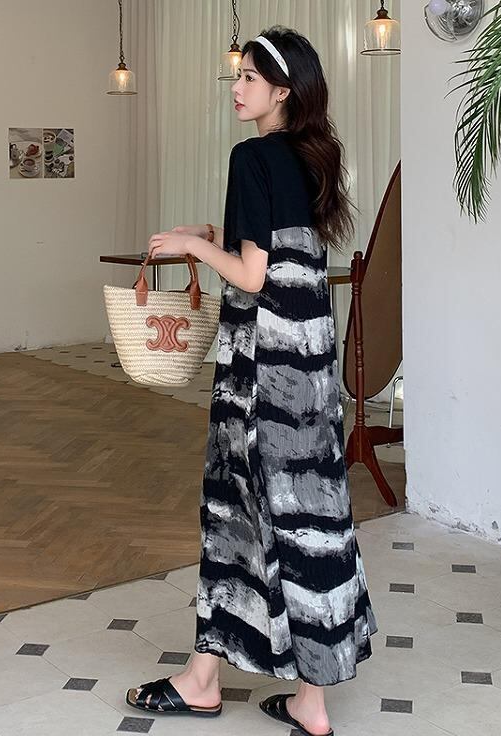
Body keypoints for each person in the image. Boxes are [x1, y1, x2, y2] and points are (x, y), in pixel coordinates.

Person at [125, 25, 377, 736]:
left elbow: (254, 274)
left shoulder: (252, 156)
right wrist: (215, 236)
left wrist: (190, 244)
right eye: (236, 76)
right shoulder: (314, 155)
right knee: (311, 516)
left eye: (249, 78)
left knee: (235, 507)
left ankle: (202, 681)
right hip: (310, 367)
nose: (235, 88)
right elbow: (286, 255)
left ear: (283, 90)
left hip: (262, 366)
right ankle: (310, 702)